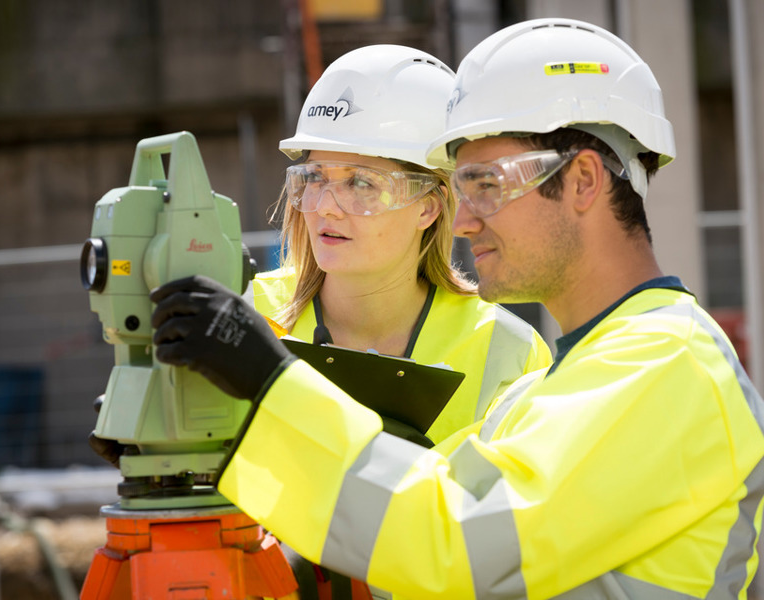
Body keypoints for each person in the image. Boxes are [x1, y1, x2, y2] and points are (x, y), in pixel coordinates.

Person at [149, 18, 764, 600]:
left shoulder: (663, 363)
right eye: (462, 189)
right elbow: (415, 515)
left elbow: (458, 539)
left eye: (487, 185)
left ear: (581, 181)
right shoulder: (553, 386)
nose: (463, 220)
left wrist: (269, 385)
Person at [250, 44, 550, 599]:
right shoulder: (250, 319)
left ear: (430, 206)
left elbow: (516, 554)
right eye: (315, 177)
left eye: (361, 182)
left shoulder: (507, 353)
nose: (324, 206)